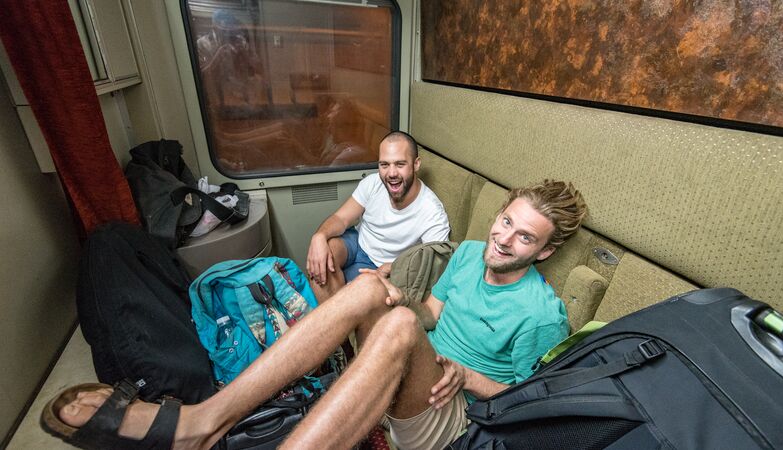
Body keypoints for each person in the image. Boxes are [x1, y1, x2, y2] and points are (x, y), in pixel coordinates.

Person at [44, 180, 587, 450]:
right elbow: (431, 313)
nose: (503, 238)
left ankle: (213, 424)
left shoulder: (541, 314)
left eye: (524, 236)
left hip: (455, 415)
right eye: (505, 221)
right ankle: (204, 420)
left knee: (393, 322)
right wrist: (394, 298)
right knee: (371, 292)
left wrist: (466, 374)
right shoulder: (468, 254)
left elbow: (531, 405)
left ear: (542, 252)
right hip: (415, 368)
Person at [305, 131, 450, 302]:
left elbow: (436, 266)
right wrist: (319, 236)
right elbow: (341, 218)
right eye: (384, 164)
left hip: (388, 267)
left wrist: (393, 268)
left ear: (416, 164)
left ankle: (339, 317)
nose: (391, 173)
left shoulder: (432, 211)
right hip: (358, 244)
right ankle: (338, 316)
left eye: (400, 164)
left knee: (360, 298)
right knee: (324, 255)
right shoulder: (372, 183)